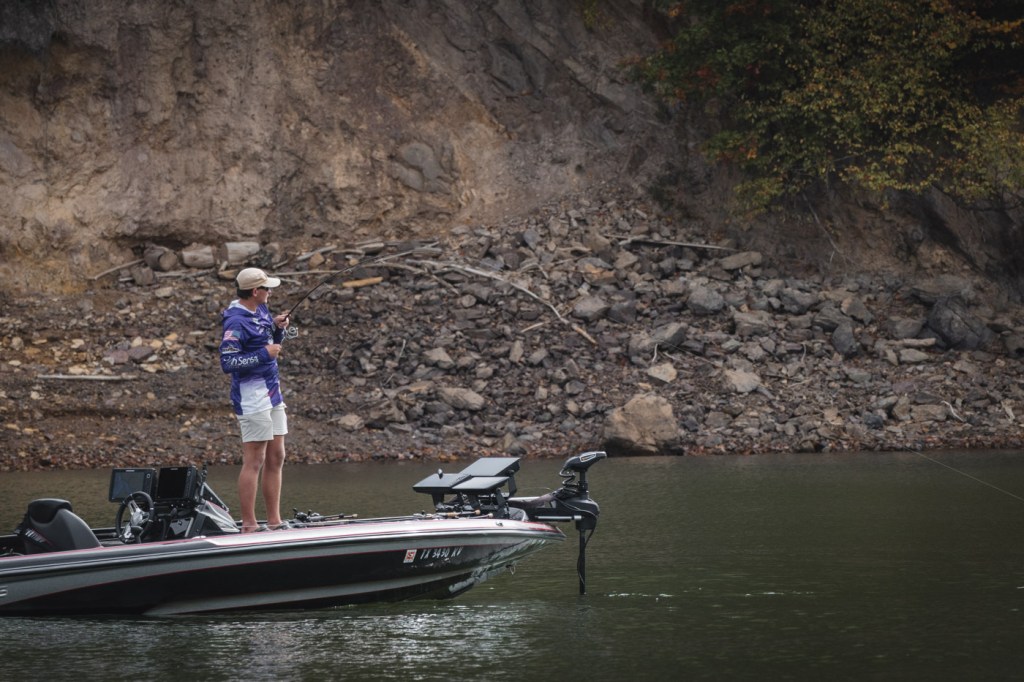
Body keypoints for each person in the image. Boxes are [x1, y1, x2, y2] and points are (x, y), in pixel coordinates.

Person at [219, 267, 291, 532]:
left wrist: (278, 329)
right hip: (252, 398)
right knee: (255, 460)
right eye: (267, 288)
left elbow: (268, 340)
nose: (270, 292)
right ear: (254, 291)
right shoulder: (235, 322)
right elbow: (228, 363)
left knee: (277, 456)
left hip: (273, 393)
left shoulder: (260, 310)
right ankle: (249, 524)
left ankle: (274, 521)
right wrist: (263, 353)